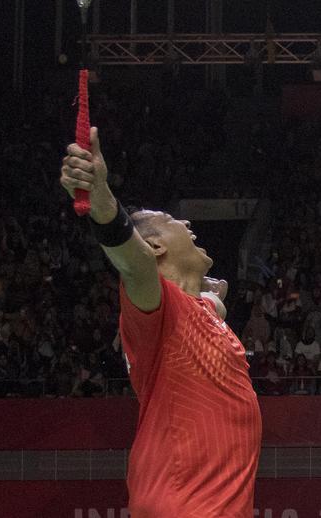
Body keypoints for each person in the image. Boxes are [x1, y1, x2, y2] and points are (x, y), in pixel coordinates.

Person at [60, 126, 261, 517]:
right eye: (171, 220)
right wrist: (100, 197)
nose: (186, 223)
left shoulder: (199, 312)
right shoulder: (155, 309)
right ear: (154, 246)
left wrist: (209, 294)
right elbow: (133, 262)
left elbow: (212, 303)